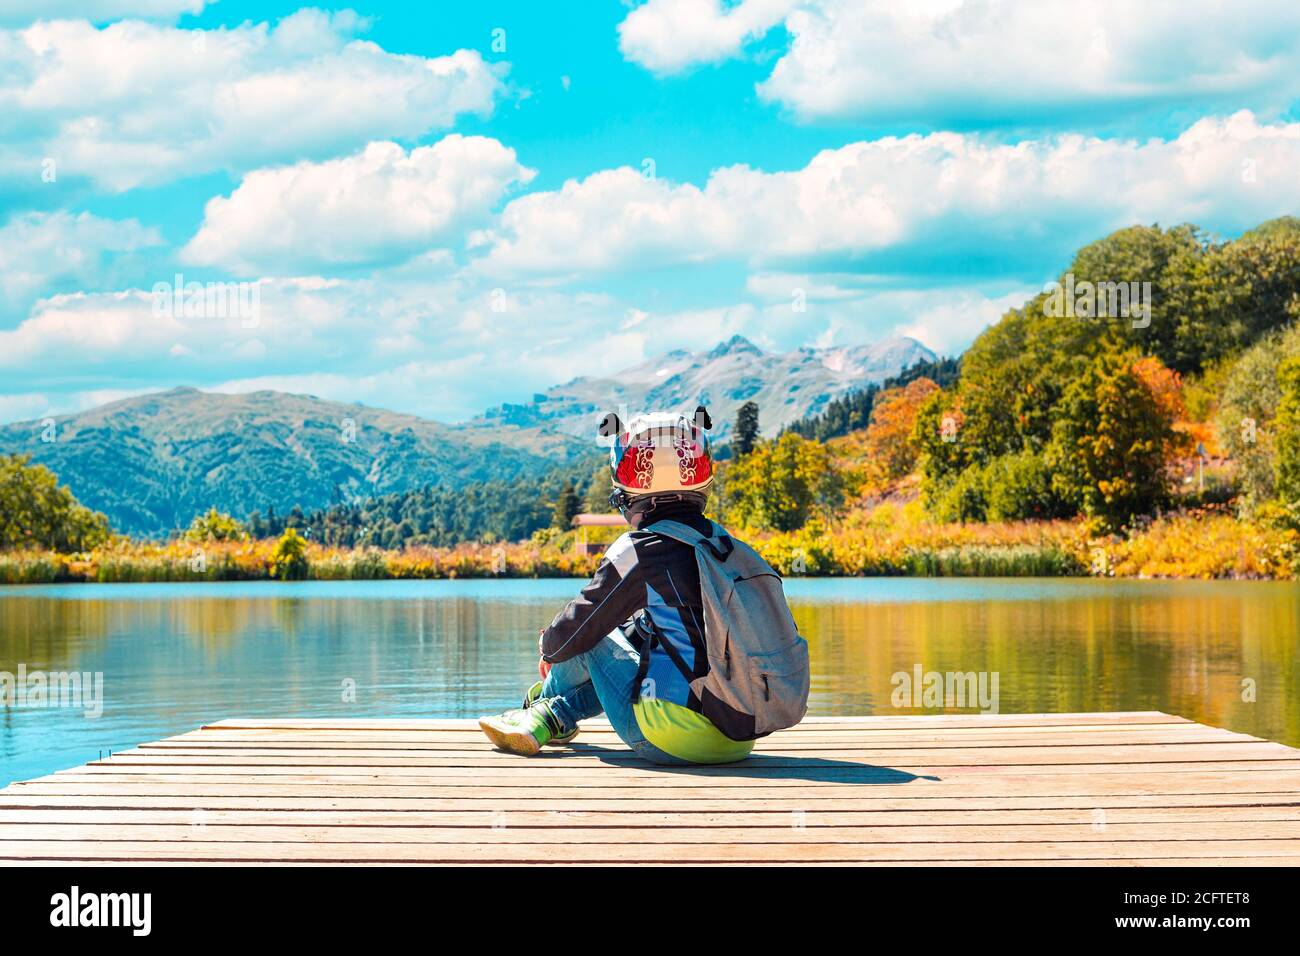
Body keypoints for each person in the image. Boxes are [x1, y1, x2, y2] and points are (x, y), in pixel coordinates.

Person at [477, 407, 756, 765]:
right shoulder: (726, 546)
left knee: (593, 633)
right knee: (626, 638)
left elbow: (580, 625)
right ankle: (555, 713)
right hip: (738, 741)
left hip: (667, 740)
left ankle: (539, 709)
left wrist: (549, 647)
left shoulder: (639, 550)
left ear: (627, 484)